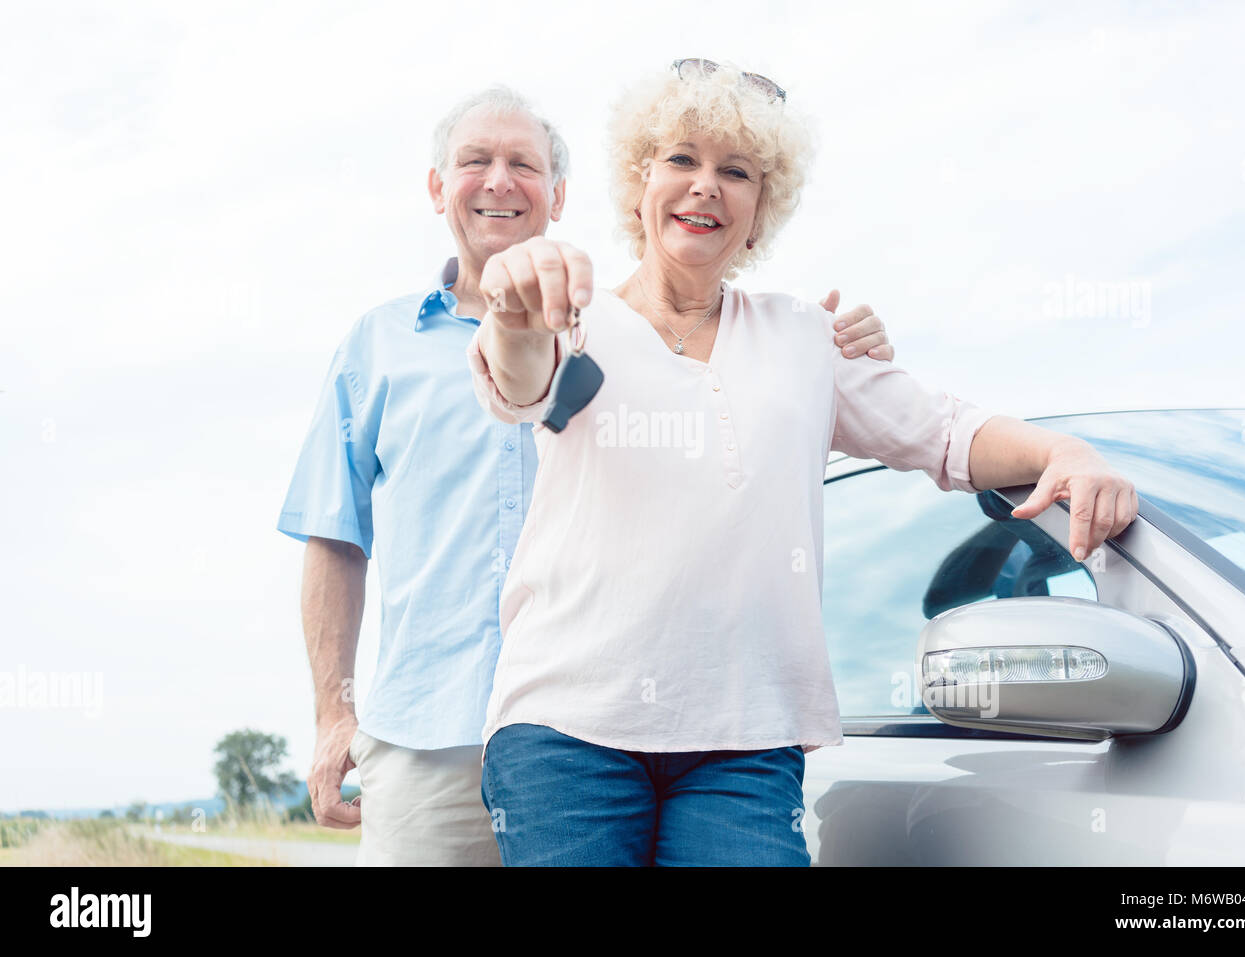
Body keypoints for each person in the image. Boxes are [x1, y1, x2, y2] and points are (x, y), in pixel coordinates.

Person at [467, 61, 1138, 866]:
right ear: (639, 182)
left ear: (760, 211)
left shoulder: (804, 340)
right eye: (682, 160)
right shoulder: (569, 316)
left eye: (735, 172)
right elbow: (518, 378)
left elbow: (948, 432)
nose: (705, 186)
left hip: (747, 742)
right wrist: (511, 304)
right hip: (564, 732)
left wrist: (1064, 451)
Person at [276, 84, 896, 866]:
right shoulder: (377, 346)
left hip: (605, 726)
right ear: (437, 188)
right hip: (430, 731)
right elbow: (335, 535)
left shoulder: (623, 330)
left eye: (523, 165)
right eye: (475, 162)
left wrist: (828, 344)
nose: (500, 180)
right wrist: (335, 715)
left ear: (560, 195)